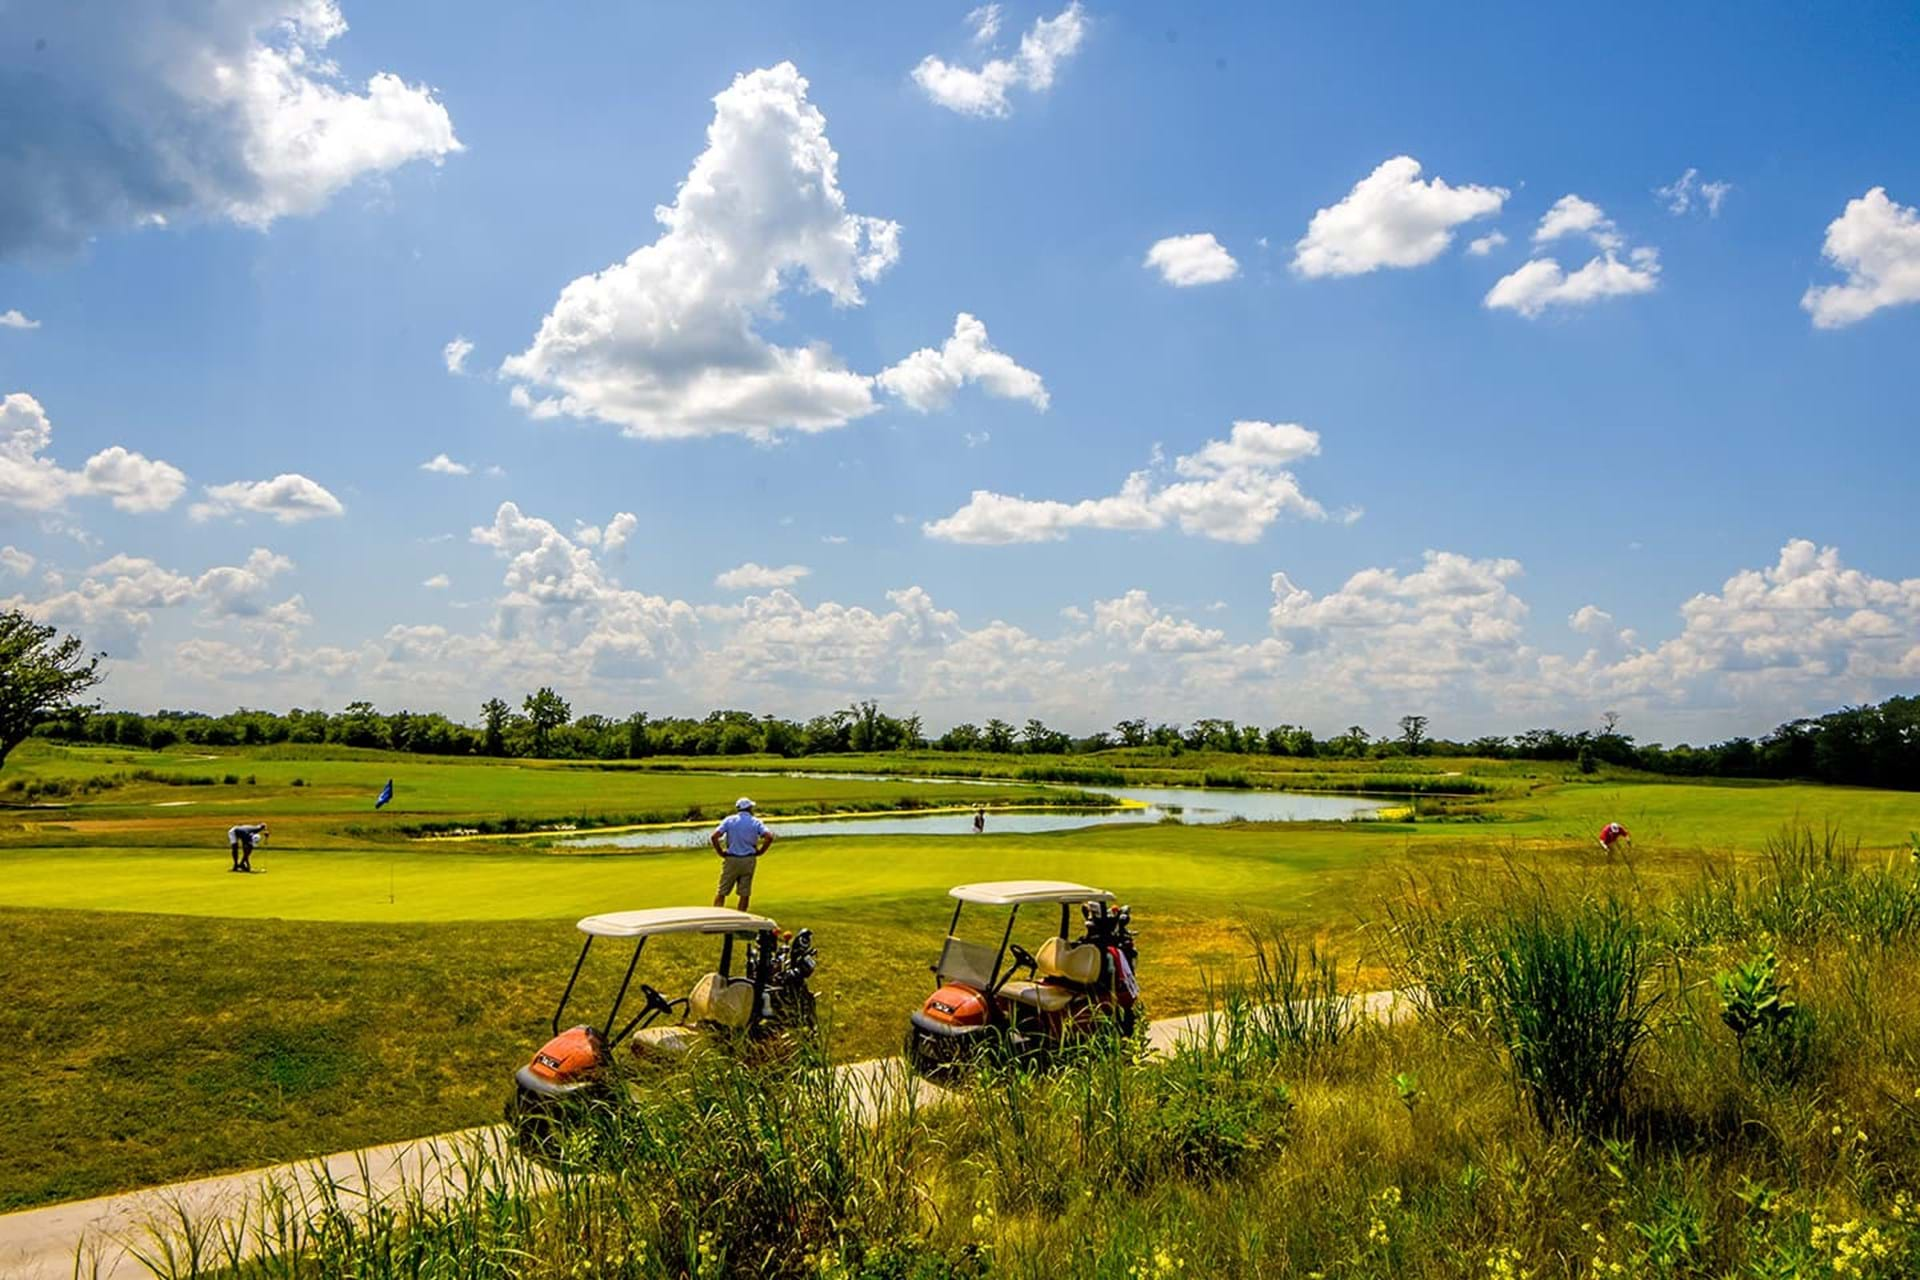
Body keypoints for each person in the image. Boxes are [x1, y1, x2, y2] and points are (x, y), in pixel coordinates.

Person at [710, 797, 775, 911]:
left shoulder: (729, 820)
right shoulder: (755, 821)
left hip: (732, 859)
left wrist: (720, 852)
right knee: (744, 893)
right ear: (749, 808)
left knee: (722, 891)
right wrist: (760, 851)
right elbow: (769, 837)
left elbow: (714, 836)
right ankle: (742, 921)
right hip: (748, 860)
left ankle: (715, 918)